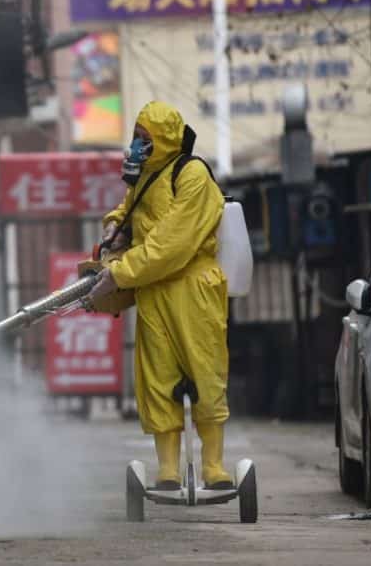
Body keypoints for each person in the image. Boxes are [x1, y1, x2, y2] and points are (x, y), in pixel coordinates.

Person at [88, 100, 233, 491]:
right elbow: (129, 212)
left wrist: (121, 271)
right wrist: (114, 227)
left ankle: (214, 467)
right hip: (153, 290)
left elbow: (173, 244)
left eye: (144, 138)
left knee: (205, 373)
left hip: (193, 288)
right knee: (157, 380)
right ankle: (167, 468)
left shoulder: (192, 175)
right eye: (135, 137)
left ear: (165, 138)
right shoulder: (145, 177)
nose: (136, 145)